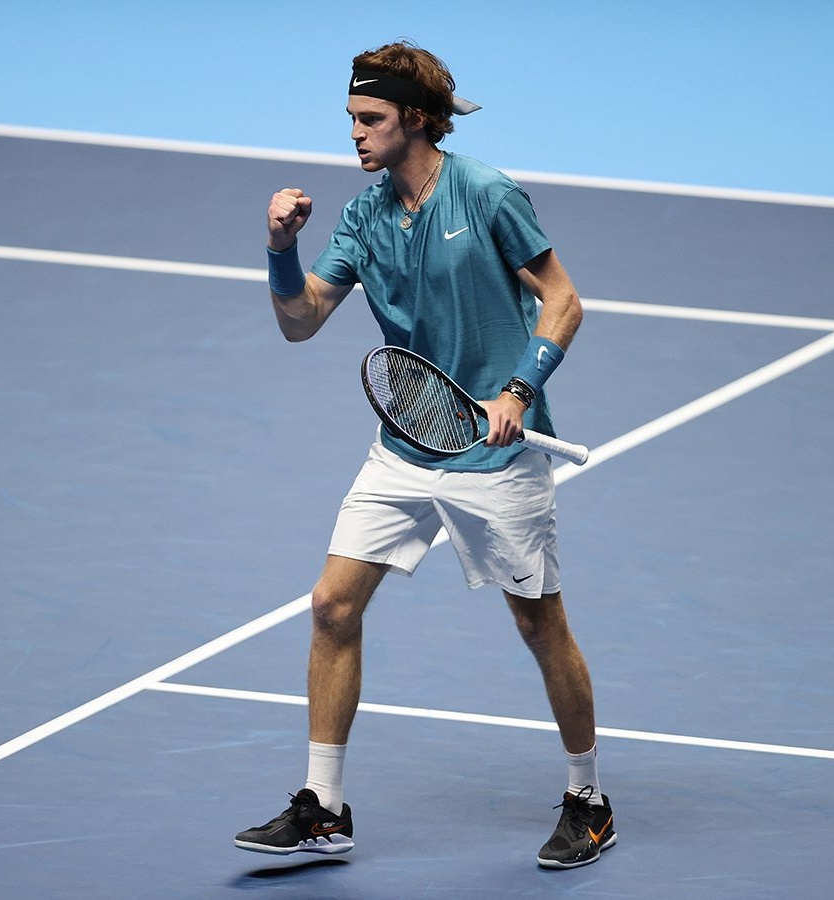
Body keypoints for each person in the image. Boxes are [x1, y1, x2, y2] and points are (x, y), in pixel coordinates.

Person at [233, 40, 615, 870]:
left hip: (496, 455)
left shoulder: (485, 193)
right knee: (332, 606)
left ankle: (589, 799)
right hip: (407, 443)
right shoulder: (364, 217)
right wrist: (279, 247)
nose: (355, 133)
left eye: (369, 118)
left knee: (538, 623)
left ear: (414, 118)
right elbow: (301, 321)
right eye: (350, 118)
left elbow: (563, 300)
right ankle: (324, 807)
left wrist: (519, 388)